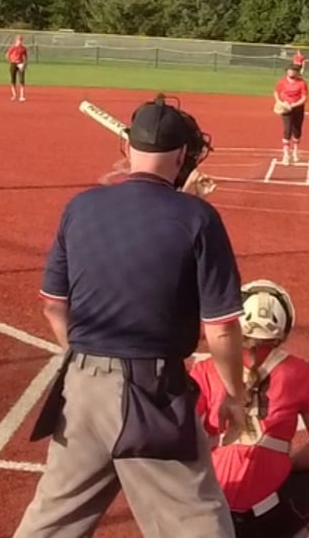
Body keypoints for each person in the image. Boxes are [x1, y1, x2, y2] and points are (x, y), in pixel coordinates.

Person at [16, 95, 249, 538]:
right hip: (151, 394)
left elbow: (53, 305)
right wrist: (234, 395)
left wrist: (91, 362)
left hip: (79, 390)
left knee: (52, 523)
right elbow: (220, 327)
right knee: (199, 527)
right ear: (183, 155)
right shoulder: (198, 218)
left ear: (127, 146)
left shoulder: (81, 207)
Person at [190, 281, 309, 538]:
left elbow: (182, 435)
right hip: (267, 519)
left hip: (211, 516)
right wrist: (286, 465)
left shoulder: (205, 369)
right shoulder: (297, 371)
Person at [274, 64, 309, 164]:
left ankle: (295, 151)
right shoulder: (282, 82)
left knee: (297, 130)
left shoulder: (302, 83)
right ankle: (286, 153)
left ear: (297, 73)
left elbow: (304, 98)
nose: (291, 72)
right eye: (289, 70)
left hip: (298, 108)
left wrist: (294, 105)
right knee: (287, 129)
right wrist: (280, 102)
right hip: (286, 108)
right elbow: (276, 92)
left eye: (293, 71)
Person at [8, 35, 29, 102]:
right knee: (13, 79)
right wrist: (11, 61)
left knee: (22, 80)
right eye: (19, 40)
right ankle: (14, 95)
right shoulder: (13, 48)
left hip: (20, 64)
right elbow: (8, 55)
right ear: (16, 40)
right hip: (13, 63)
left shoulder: (23, 48)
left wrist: (25, 64)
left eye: (21, 40)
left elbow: (25, 57)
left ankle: (21, 96)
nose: (20, 41)